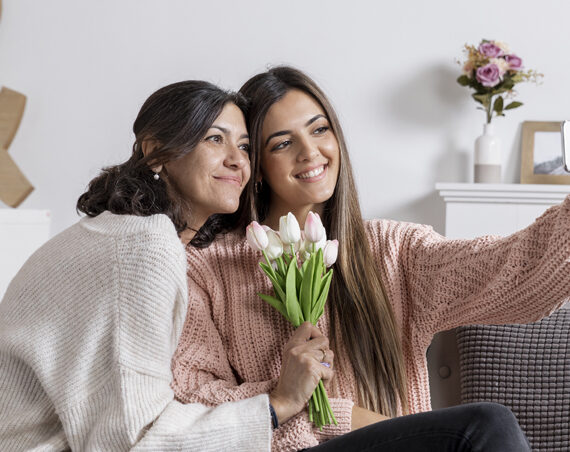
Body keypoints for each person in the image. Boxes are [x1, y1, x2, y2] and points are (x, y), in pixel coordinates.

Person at [171, 66, 569, 451]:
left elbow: (515, 269)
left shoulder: (394, 250)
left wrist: (337, 416)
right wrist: (296, 401)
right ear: (257, 167)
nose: (311, 152)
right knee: (487, 425)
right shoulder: (205, 268)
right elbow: (193, 400)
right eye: (283, 143)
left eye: (320, 129)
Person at [0, 80, 333, 451]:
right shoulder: (144, 245)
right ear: (156, 153)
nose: (237, 159)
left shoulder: (119, 232)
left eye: (243, 146)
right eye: (214, 139)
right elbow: (131, 440)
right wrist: (279, 403)